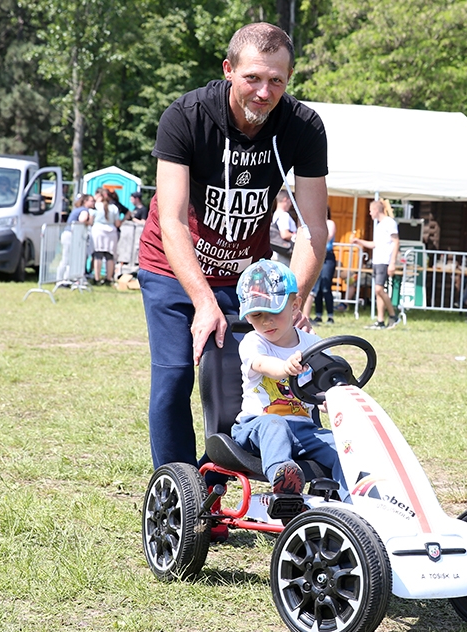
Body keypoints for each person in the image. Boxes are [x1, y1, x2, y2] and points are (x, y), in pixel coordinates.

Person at [136, 22, 328, 509]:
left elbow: (313, 228)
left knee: (239, 379)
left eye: (276, 80)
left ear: (288, 79)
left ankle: (214, 481)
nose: (264, 92)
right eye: (253, 78)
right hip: (171, 265)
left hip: (247, 277)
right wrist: (202, 301)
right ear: (228, 70)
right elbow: (172, 220)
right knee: (175, 376)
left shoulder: (303, 127)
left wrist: (296, 299)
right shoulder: (185, 116)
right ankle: (179, 498)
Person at [231, 260, 349, 501]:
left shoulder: (312, 344)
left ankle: (354, 502)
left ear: (295, 306)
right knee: (274, 424)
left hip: (304, 429)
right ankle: (284, 481)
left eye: (274, 312)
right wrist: (285, 368)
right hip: (257, 425)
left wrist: (331, 399)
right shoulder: (253, 342)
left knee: (344, 449)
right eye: (257, 315)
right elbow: (262, 364)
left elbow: (325, 383)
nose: (266, 322)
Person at [353, 199, 400, 329]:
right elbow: (374, 244)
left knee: (379, 289)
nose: (370, 213)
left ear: (376, 210)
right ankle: (380, 321)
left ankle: (393, 315)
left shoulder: (389, 223)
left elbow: (396, 242)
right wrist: (359, 241)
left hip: (385, 261)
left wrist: (392, 262)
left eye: (370, 211)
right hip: (377, 260)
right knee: (378, 291)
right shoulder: (379, 225)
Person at [304, 206, 336, 324]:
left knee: (326, 287)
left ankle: (330, 315)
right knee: (316, 287)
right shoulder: (315, 223)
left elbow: (329, 236)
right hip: (317, 255)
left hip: (327, 256)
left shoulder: (330, 223)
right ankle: (318, 314)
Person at [57, 194, 93, 286]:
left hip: (69, 235)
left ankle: (65, 279)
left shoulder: (78, 209)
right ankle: (61, 280)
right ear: (85, 201)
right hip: (71, 235)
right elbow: (82, 220)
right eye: (91, 201)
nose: (93, 203)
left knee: (68, 259)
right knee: (67, 259)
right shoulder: (84, 210)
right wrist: (89, 222)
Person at [90, 187, 120, 284]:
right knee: (109, 256)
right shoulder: (114, 208)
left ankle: (97, 278)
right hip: (111, 232)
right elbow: (117, 223)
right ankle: (108, 279)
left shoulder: (96, 206)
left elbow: (91, 221)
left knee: (98, 255)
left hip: (98, 231)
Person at [269, 190, 296, 263]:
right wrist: (296, 235)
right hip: (283, 253)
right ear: (285, 200)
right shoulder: (284, 215)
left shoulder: (275, 214)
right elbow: (284, 234)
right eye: (290, 201)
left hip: (275, 251)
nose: (291, 204)